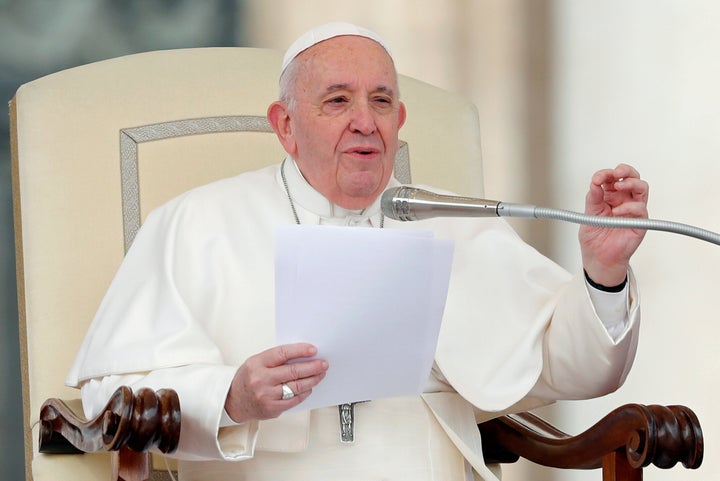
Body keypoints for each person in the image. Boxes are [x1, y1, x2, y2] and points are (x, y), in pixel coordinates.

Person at [67, 22, 649, 481]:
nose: (364, 122)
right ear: (286, 126)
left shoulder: (454, 221)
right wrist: (232, 396)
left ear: (400, 121)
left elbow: (576, 367)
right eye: (338, 101)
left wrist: (604, 270)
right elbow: (109, 395)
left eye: (380, 101)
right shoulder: (196, 222)